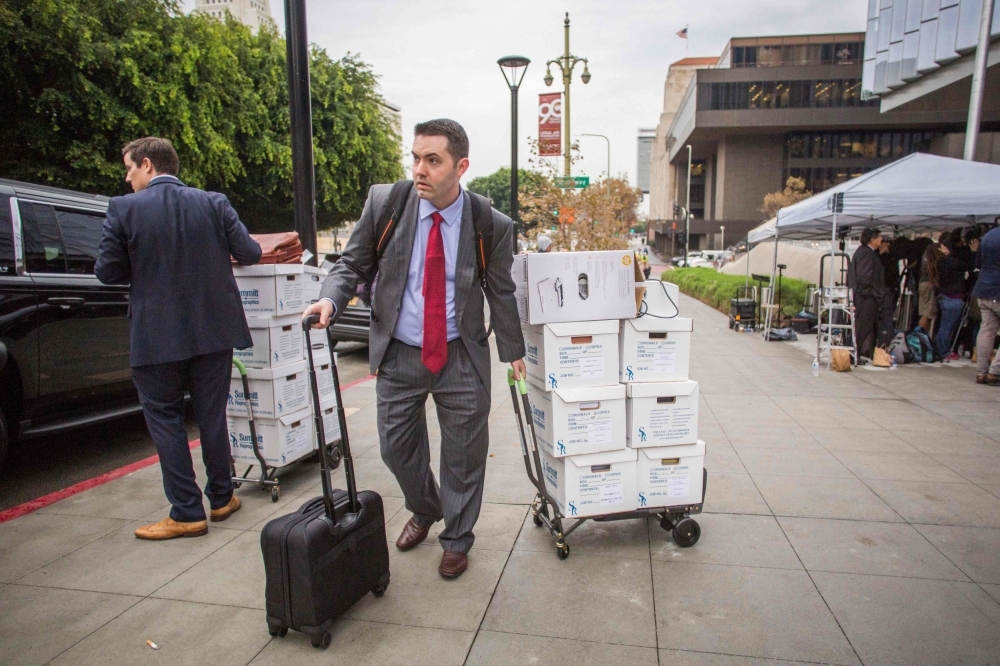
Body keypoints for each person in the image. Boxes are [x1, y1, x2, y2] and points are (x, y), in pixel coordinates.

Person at [301, 119, 526, 579]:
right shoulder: (387, 203)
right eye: (416, 157)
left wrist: (513, 349)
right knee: (396, 449)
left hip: (461, 352)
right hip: (401, 350)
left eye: (433, 160)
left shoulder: (490, 224)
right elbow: (353, 261)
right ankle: (425, 507)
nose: (419, 169)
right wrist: (330, 298)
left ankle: (457, 538)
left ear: (460, 166)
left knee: (464, 454)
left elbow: (501, 289)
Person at [95, 137, 262, 540]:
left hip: (156, 337)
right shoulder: (213, 203)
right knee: (212, 416)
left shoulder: (123, 209)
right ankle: (222, 498)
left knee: (166, 421)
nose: (127, 176)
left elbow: (107, 272)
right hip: (213, 332)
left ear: (148, 165)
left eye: (129, 168)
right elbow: (251, 252)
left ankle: (187, 511)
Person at [849, 227, 890, 360]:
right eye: (878, 237)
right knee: (862, 327)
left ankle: (856, 353)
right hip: (866, 297)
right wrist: (872, 294)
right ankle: (853, 353)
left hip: (865, 295)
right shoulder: (866, 253)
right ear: (872, 240)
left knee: (862, 327)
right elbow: (865, 276)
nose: (881, 239)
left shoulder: (865, 252)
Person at [936, 235, 975, 360]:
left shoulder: (942, 262)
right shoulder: (955, 262)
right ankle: (943, 350)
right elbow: (971, 266)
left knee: (945, 325)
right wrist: (973, 252)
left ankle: (943, 349)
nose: (940, 248)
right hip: (954, 296)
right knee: (948, 326)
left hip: (945, 295)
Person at [973, 225, 1000, 384]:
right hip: (998, 288)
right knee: (987, 331)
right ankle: (995, 371)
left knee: (986, 331)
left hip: (983, 288)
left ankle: (982, 372)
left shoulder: (989, 235)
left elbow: (978, 262)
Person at [917, 237, 943, 333]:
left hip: (923, 284)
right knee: (927, 314)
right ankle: (922, 336)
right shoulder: (935, 250)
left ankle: (921, 335)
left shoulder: (926, 254)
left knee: (924, 313)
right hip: (929, 284)